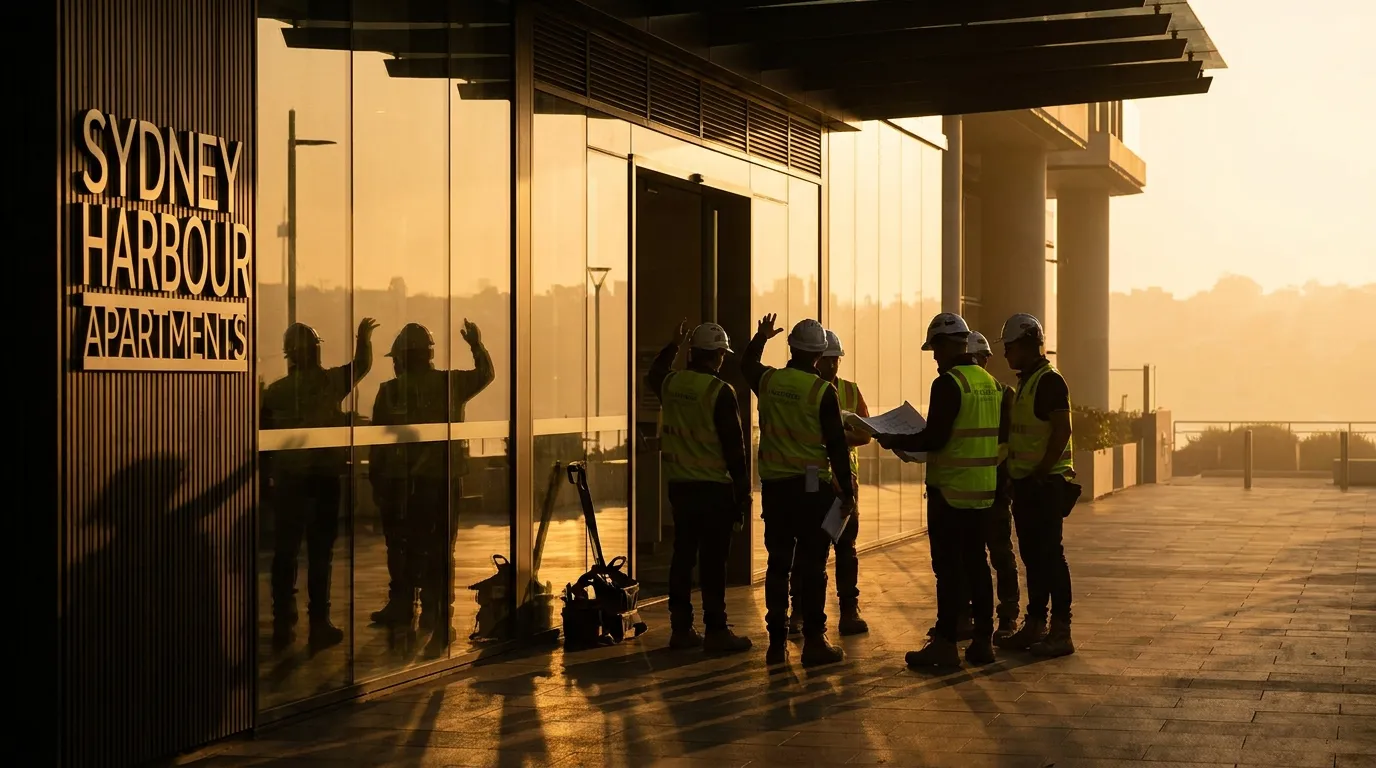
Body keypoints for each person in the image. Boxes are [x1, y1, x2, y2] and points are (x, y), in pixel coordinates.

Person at [874, 312, 1001, 668]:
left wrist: (892, 438)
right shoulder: (989, 382)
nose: (934, 358)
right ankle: (983, 642)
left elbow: (936, 437)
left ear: (947, 345)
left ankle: (945, 644)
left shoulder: (948, 383)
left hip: (949, 492)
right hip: (982, 491)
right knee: (977, 565)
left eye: (935, 350)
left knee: (947, 570)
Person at [369, 320, 495, 656]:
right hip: (439, 480)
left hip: (404, 482)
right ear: (427, 354)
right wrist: (476, 344)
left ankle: (406, 606)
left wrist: (377, 482)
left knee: (403, 547)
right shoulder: (448, 383)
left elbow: (377, 444)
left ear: (400, 358)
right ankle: (437, 614)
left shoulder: (389, 391)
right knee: (440, 548)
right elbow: (485, 374)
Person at [742, 315, 855, 667]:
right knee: (812, 565)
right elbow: (837, 445)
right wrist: (847, 491)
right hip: (811, 490)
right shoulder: (823, 391)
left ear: (790, 347)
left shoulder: (770, 380)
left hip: (776, 489)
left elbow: (746, 364)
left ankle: (776, 644)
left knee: (778, 564)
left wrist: (761, 337)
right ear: (820, 355)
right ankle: (814, 642)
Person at [261, 317, 378, 652]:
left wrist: (267, 482)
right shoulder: (330, 382)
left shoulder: (276, 392)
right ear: (314, 351)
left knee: (285, 554)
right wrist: (363, 337)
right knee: (319, 554)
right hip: (324, 480)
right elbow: (363, 365)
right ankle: (319, 623)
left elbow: (264, 442)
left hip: (289, 482)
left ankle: (283, 623)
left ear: (289, 354)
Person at [645, 320, 754, 654]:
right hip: (714, 490)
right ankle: (716, 630)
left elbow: (655, 372)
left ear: (693, 352)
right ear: (719, 355)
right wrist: (743, 492)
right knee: (712, 562)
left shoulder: (672, 383)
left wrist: (672, 345)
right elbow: (735, 449)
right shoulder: (720, 392)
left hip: (681, 486)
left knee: (682, 556)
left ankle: (680, 628)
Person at [995, 313, 1077, 657]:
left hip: (1045, 485)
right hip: (1028, 485)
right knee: (1033, 556)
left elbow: (1062, 429)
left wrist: (1042, 471)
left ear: (1028, 345)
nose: (1006, 354)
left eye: (1010, 347)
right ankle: (1035, 623)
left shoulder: (1049, 381)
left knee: (1050, 557)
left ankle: (1060, 631)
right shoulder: (1028, 382)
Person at [789, 329, 870, 636]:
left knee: (846, 546)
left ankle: (849, 609)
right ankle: (799, 610)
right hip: (812, 477)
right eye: (827, 360)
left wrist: (833, 437)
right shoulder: (803, 389)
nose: (832, 366)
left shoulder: (849, 390)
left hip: (844, 478)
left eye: (836, 360)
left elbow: (864, 433)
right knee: (807, 548)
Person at [969, 331, 1020, 642]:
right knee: (976, 557)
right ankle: (983, 618)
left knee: (999, 554)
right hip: (975, 488)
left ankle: (1007, 616)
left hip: (992, 489)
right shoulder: (999, 392)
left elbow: (1007, 443)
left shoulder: (1002, 394)